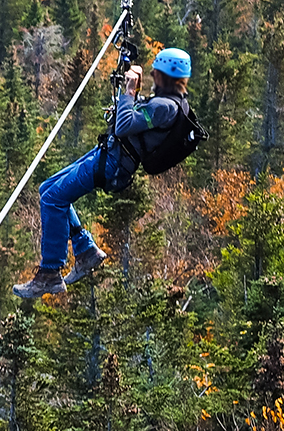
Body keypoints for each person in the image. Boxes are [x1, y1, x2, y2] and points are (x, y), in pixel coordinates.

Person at [14, 48, 197, 299]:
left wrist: (130, 92)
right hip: (108, 153)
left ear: (165, 75)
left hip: (113, 163)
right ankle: (86, 251)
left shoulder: (165, 107)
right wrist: (130, 96)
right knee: (48, 189)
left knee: (52, 199)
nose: (153, 74)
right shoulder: (168, 102)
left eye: (157, 71)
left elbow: (124, 127)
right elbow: (136, 119)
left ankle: (50, 274)